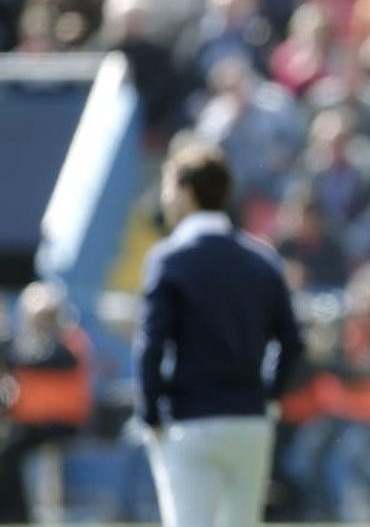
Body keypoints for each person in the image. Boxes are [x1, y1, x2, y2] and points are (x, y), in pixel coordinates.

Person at [134, 143, 304, 527]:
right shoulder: (261, 260)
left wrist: (150, 413)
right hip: (249, 419)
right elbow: (292, 342)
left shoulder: (169, 259)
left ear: (186, 191)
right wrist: (269, 396)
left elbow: (151, 345)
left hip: (190, 421)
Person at [0, 281, 93, 523]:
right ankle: (13, 513)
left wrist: (15, 351)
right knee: (7, 447)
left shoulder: (69, 339)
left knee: (9, 452)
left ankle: (16, 515)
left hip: (61, 421)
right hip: (31, 422)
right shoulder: (26, 342)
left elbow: (53, 360)